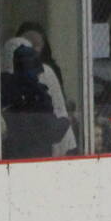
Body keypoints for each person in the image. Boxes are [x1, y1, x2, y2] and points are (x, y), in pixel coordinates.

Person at [0, 36, 70, 159]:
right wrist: (67, 121)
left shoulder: (1, 86)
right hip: (36, 156)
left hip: (13, 157)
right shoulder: (38, 93)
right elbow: (51, 130)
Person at [14, 20, 77, 156]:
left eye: (36, 45)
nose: (31, 48)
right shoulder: (8, 72)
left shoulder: (50, 70)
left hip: (46, 133)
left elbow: (59, 106)